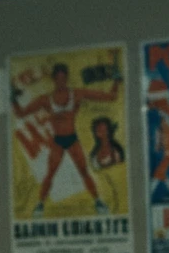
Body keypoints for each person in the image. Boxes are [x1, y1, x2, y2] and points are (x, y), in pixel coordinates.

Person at [12, 62, 118, 216]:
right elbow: (21, 113)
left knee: (84, 172)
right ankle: (40, 205)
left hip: (72, 139)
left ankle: (98, 202)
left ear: (66, 79)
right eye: (58, 78)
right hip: (58, 141)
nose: (61, 81)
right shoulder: (46, 100)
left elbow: (110, 97)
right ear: (54, 80)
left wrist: (116, 80)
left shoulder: (77, 94)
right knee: (50, 174)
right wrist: (12, 99)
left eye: (64, 78)